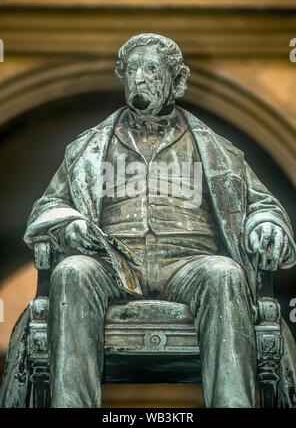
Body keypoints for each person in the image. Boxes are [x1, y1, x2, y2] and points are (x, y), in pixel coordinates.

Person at [1, 33, 296, 408]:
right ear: (121, 76)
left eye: (152, 69)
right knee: (72, 271)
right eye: (132, 70)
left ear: (179, 80)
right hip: (112, 264)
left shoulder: (218, 151)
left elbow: (261, 205)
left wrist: (266, 225)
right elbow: (47, 207)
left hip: (189, 263)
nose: (140, 78)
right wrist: (68, 223)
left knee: (225, 273)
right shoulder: (88, 148)